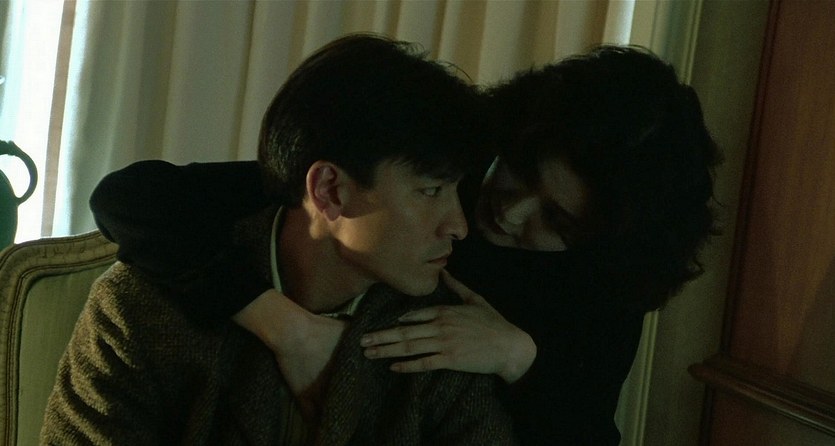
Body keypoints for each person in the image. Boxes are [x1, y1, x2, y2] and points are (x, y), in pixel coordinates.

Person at [79, 45, 720, 444]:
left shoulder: (600, 292)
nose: (505, 211)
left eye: (557, 220)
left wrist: (518, 357)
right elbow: (135, 198)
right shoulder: (407, 185)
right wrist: (284, 326)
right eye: (519, 170)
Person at [41, 34, 518, 445]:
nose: (458, 225)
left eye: (456, 190)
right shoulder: (144, 308)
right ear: (329, 191)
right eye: (430, 191)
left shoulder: (445, 335)